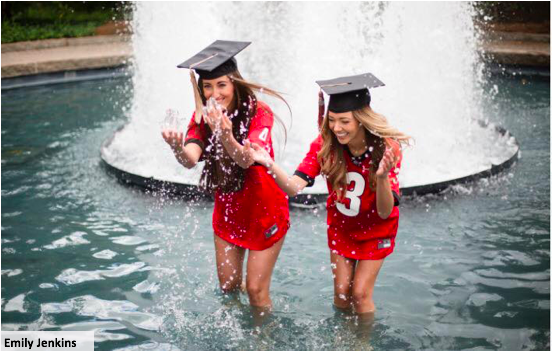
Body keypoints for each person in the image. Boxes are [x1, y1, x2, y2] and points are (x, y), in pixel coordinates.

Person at [248, 73, 411, 315]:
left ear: (361, 120)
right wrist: (269, 164)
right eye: (332, 120)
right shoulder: (325, 145)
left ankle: (362, 343)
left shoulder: (386, 148)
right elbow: (293, 187)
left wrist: (381, 176)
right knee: (343, 294)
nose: (336, 128)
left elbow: (386, 211)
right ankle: (342, 337)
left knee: (360, 294)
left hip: (377, 230)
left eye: (344, 121)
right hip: (343, 228)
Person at [161, 40, 290, 312]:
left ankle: (262, 340)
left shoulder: (258, 113)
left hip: (265, 210)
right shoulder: (202, 119)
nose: (214, 93)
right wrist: (175, 146)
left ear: (234, 83)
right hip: (230, 210)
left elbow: (246, 159)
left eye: (221, 85)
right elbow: (190, 159)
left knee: (256, 291)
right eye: (207, 86)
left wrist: (226, 135)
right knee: (228, 287)